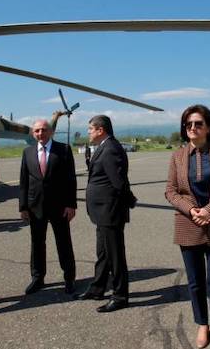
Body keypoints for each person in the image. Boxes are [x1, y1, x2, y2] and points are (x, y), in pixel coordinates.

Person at [165, 105, 210, 349]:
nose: (193, 128)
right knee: (195, 281)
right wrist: (191, 210)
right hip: (188, 224)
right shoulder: (177, 156)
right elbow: (171, 191)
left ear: (208, 127)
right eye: (188, 125)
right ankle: (201, 323)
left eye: (198, 124)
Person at [77, 115, 135, 313]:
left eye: (90, 129)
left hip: (110, 212)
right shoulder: (104, 146)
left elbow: (118, 182)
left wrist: (129, 200)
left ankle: (120, 295)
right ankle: (97, 288)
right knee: (103, 253)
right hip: (102, 212)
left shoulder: (110, 149)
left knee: (115, 255)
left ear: (100, 130)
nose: (88, 132)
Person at [19, 120, 77, 295]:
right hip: (35, 206)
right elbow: (24, 181)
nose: (40, 133)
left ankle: (69, 278)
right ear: (32, 133)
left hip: (59, 206)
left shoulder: (64, 149)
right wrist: (23, 207)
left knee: (64, 242)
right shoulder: (27, 152)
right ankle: (37, 278)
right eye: (36, 131)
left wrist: (71, 205)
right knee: (37, 243)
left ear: (51, 132)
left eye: (43, 130)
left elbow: (70, 179)